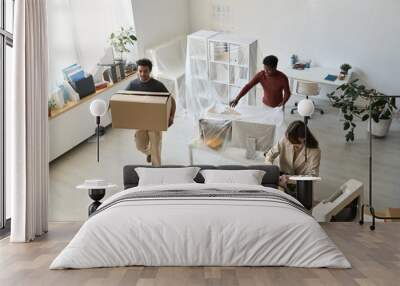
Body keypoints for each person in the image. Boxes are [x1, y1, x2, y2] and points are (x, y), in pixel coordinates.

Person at [126, 58, 176, 166]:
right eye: (140, 71)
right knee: (140, 146)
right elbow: (123, 98)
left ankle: (156, 172)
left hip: (156, 121)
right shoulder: (132, 85)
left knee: (156, 149)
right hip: (140, 121)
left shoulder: (158, 85)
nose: (142, 74)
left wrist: (171, 117)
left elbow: (171, 100)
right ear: (137, 71)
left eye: (145, 71)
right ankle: (149, 153)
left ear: (150, 71)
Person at [264, 120, 321, 188]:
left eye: (297, 145)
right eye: (292, 143)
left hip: (299, 181)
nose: (294, 147)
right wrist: (271, 169)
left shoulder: (315, 152)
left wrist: (289, 179)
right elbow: (270, 154)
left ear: (305, 139)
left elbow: (313, 177)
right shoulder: (286, 139)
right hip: (281, 175)